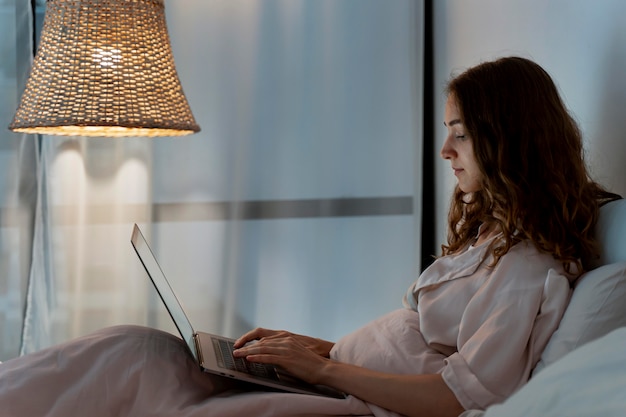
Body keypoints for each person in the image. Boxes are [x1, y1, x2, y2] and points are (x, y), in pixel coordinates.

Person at [0, 56, 620, 417]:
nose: (445, 149)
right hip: (329, 381)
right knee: (134, 348)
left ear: (505, 139)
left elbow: (457, 396)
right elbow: (422, 347)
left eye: (460, 132)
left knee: (153, 388)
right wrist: (310, 350)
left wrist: (322, 373)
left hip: (356, 409)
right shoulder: (491, 239)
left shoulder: (526, 268)